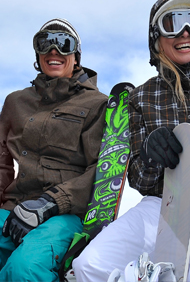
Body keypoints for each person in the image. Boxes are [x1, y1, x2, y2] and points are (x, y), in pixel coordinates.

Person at [73, 0, 190, 282]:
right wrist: (150, 154)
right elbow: (139, 180)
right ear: (156, 37)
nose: (185, 32)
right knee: (90, 264)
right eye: (173, 22)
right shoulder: (142, 97)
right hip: (164, 201)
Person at [0, 18, 107, 281]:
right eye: (44, 43)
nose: (53, 51)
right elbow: (2, 162)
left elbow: (101, 171)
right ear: (37, 54)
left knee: (24, 269)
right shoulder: (16, 102)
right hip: (14, 208)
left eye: (64, 43)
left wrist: (49, 203)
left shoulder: (97, 104)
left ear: (76, 55)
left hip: (64, 214)